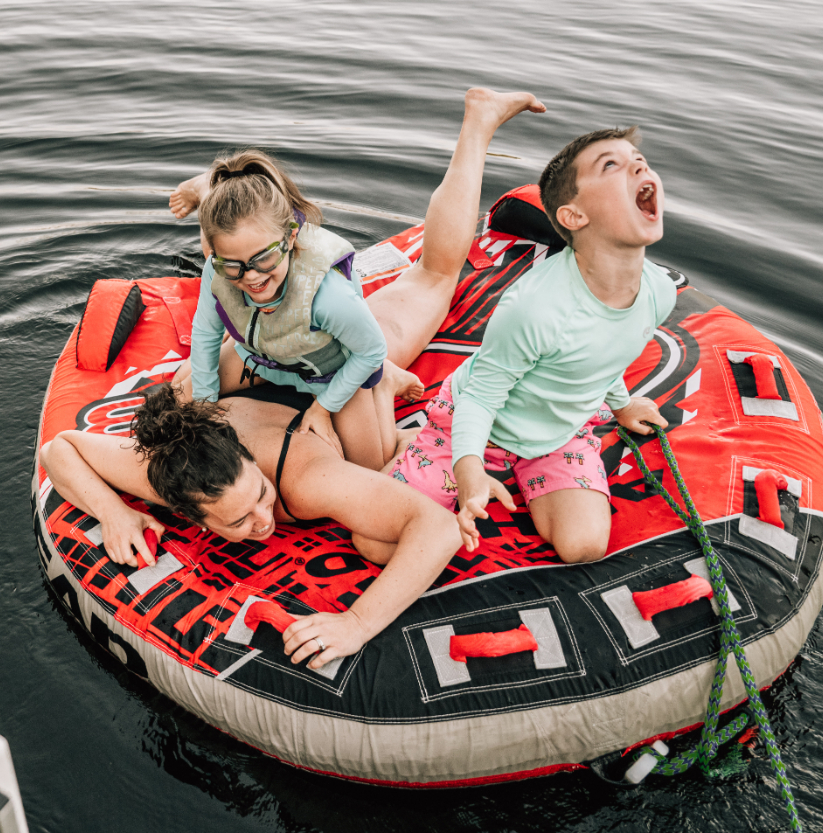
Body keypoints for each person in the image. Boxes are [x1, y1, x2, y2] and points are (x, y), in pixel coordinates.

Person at [41, 89, 546, 671]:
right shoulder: (167, 479)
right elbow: (64, 450)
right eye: (238, 521)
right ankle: (218, 199)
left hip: (321, 359)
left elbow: (433, 530)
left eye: (257, 496)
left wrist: (356, 622)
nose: (265, 517)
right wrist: (116, 512)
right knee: (199, 370)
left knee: (433, 280)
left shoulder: (302, 480)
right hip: (253, 365)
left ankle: (479, 122)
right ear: (192, 515)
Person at [390, 127, 674, 564]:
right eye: (611, 165)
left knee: (584, 546)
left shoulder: (658, 292)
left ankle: (529, 470)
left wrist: (620, 406)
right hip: (476, 425)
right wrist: (469, 471)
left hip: (558, 432)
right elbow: (481, 399)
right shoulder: (535, 307)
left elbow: (606, 351)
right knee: (377, 542)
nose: (639, 165)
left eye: (638, 158)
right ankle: (411, 443)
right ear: (574, 216)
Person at [167, 149, 424, 471]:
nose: (252, 277)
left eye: (263, 259)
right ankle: (209, 191)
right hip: (263, 357)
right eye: (233, 266)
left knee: (370, 468)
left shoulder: (328, 296)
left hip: (328, 372)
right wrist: (205, 403)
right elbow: (206, 330)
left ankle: (386, 383)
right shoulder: (215, 270)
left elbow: (371, 351)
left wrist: (323, 408)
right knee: (180, 397)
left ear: (289, 238)